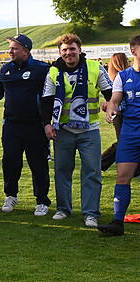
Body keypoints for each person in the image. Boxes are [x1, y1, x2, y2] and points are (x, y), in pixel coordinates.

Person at [41, 33, 111, 227]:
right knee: (62, 171)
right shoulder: (53, 72)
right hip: (63, 130)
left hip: (90, 130)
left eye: (72, 49)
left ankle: (91, 213)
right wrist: (46, 124)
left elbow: (111, 93)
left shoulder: (95, 68)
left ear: (80, 50)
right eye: (64, 50)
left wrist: (110, 104)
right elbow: (46, 100)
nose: (68, 53)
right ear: (60, 52)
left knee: (92, 172)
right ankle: (63, 209)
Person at [0, 34, 52, 216]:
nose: (10, 51)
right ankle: (11, 195)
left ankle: (42, 200)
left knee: (38, 164)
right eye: (10, 48)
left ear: (26, 51)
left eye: (14, 48)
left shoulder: (42, 69)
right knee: (10, 162)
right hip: (12, 126)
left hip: (35, 126)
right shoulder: (6, 69)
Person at [100, 36, 140, 236]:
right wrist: (111, 108)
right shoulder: (123, 76)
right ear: (133, 50)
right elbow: (115, 100)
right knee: (123, 176)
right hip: (130, 132)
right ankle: (117, 222)